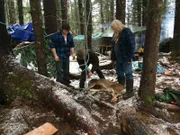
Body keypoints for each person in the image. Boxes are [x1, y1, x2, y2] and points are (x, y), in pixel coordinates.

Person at [111, 19, 135, 99]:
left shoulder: (127, 32)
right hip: (118, 58)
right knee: (119, 73)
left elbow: (132, 46)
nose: (114, 30)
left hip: (126, 57)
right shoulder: (115, 34)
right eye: (113, 29)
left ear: (118, 26)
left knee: (128, 73)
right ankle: (121, 89)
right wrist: (112, 58)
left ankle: (129, 91)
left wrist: (129, 57)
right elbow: (113, 47)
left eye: (115, 28)